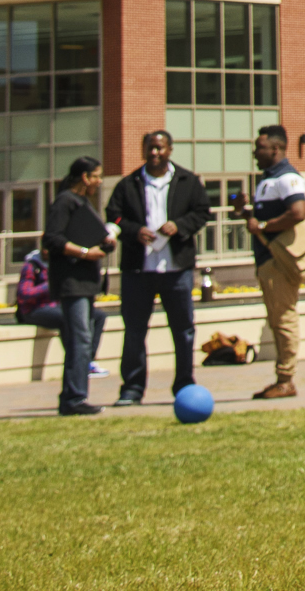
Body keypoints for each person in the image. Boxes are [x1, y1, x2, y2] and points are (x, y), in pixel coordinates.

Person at [107, 128, 205, 405]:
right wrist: (134, 230)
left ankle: (184, 384)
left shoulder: (188, 181)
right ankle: (132, 388)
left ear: (170, 150)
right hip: (139, 271)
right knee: (135, 330)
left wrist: (180, 226)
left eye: (159, 148)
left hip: (177, 270)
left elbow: (202, 212)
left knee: (183, 329)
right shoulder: (128, 184)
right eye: (150, 148)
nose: (154, 153)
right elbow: (113, 216)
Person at [241, 124, 305, 398]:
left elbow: (298, 211)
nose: (254, 153)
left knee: (283, 318)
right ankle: (282, 377)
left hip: (279, 261)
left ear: (276, 148)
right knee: (277, 318)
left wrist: (264, 225)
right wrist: (247, 213)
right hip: (267, 260)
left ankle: (286, 379)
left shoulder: (287, 177)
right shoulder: (267, 179)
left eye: (259, 147)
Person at [42, 156, 111, 416]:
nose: (99, 181)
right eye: (96, 176)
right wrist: (84, 252)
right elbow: (52, 238)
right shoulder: (64, 201)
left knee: (82, 338)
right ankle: (74, 398)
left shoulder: (81, 202)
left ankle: (73, 395)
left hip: (85, 282)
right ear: (84, 177)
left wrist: (104, 242)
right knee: (80, 339)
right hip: (72, 282)